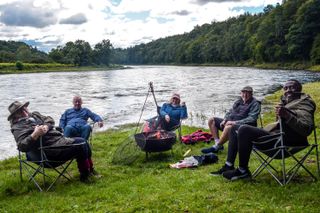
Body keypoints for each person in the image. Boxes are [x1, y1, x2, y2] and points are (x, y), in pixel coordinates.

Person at [212, 79, 316, 180]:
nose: (288, 90)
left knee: (244, 129)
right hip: (277, 136)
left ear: (299, 89)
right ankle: (229, 165)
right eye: (285, 88)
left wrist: (287, 115)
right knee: (234, 128)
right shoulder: (286, 101)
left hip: (287, 141)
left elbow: (306, 129)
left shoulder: (304, 103)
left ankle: (243, 171)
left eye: (292, 88)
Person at [8, 101, 97, 182]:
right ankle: (85, 176)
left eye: (25, 109)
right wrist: (35, 134)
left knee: (84, 142)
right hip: (49, 153)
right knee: (81, 144)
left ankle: (90, 170)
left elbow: (50, 120)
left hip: (58, 141)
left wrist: (46, 127)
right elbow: (22, 146)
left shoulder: (34, 115)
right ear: (15, 116)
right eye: (20, 112)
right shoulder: (18, 128)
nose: (25, 112)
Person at [201, 86, 261, 154]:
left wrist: (234, 122)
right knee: (212, 120)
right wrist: (225, 120)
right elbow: (230, 112)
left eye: (247, 93)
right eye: (243, 93)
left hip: (245, 128)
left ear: (251, 94)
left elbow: (252, 119)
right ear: (241, 93)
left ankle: (217, 147)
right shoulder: (238, 101)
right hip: (231, 123)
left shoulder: (255, 103)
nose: (245, 95)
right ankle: (217, 142)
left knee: (229, 127)